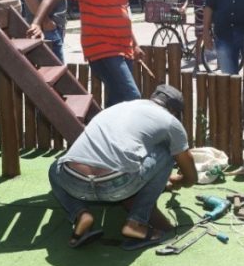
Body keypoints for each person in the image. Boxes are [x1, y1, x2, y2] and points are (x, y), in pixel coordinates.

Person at [48, 85, 197, 250]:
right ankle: (136, 223)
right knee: (168, 151)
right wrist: (183, 180)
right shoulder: (170, 121)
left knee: (56, 166)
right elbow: (188, 167)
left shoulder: (118, 108)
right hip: (116, 184)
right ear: (174, 111)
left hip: (73, 180)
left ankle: (81, 215)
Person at [29, 0, 143, 107]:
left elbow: (123, 13)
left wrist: (134, 44)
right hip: (103, 49)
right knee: (132, 96)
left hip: (124, 49)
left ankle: (107, 133)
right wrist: (37, 22)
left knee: (117, 101)